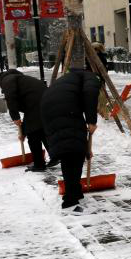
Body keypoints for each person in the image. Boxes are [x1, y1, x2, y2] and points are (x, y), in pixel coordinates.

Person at [41, 68, 100, 211]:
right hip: (65, 111)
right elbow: (90, 94)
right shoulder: (91, 78)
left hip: (48, 110)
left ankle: (74, 192)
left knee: (69, 153)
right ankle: (70, 200)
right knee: (73, 154)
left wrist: (85, 149)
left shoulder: (70, 78)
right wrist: (91, 121)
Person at [0, 69, 57, 172]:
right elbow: (28, 113)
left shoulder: (7, 80)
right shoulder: (20, 79)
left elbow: (11, 98)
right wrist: (23, 131)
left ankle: (39, 165)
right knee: (41, 131)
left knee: (33, 135)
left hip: (36, 104)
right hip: (47, 101)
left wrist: (15, 116)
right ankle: (55, 156)